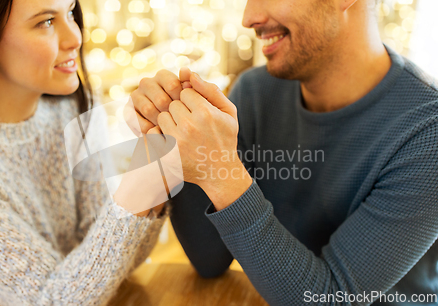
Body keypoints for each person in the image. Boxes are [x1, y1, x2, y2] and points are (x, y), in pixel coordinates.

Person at [131, 0, 438, 305]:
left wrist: (220, 171)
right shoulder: (256, 92)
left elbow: (326, 300)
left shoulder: (428, 132)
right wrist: (173, 136)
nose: (248, 18)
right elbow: (209, 259)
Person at [0, 0, 167, 305]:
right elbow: (51, 301)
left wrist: (156, 168)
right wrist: (142, 187)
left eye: (71, 12)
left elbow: (118, 260)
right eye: (45, 22)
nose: (75, 37)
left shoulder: (74, 108)